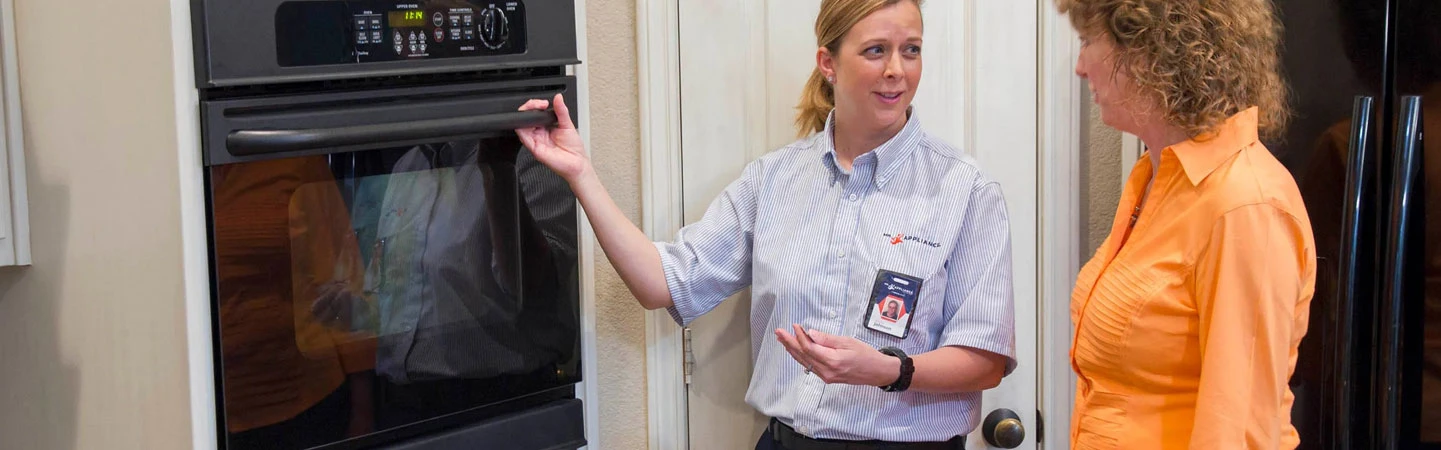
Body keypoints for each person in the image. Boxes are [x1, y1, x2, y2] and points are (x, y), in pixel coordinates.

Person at [516, 0, 1016, 447]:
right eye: (875, 51)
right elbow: (663, 282)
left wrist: (887, 371)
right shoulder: (773, 181)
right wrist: (581, 175)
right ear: (828, 63)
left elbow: (986, 360)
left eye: (911, 50)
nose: (896, 70)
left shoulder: (965, 191)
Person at [1054, 0, 1317, 448]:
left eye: (1087, 43)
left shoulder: (1244, 204)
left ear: (1146, 51)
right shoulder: (1155, 178)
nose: (1080, 67)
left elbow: (1237, 430)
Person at [310, 139, 581, 428]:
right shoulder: (408, 165)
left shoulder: (528, 154)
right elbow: (402, 299)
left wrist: (497, 170)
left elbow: (540, 290)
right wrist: (359, 312)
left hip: (496, 404)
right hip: (403, 408)